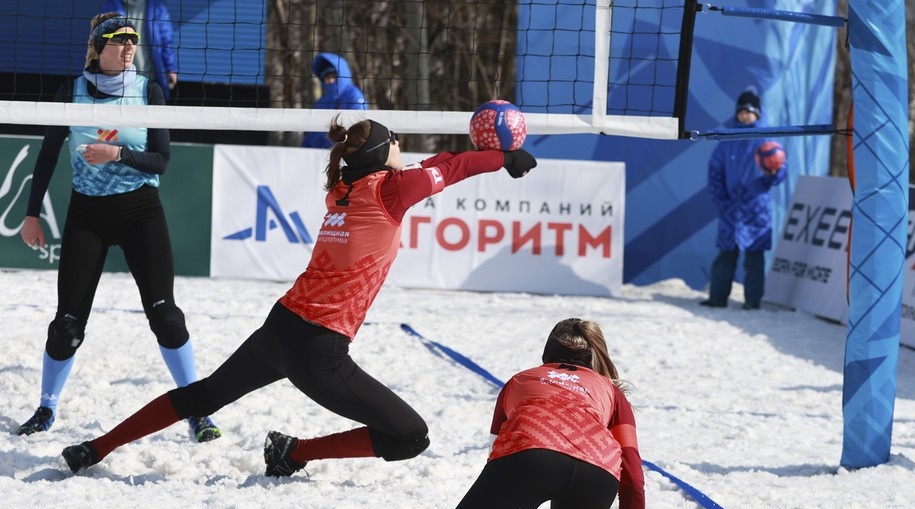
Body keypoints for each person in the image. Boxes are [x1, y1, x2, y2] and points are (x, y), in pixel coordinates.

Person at [60, 116, 538, 476]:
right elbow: (449, 168)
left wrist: (493, 160)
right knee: (410, 437)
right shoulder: (391, 191)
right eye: (395, 141)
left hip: (281, 327)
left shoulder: (345, 188)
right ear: (381, 153)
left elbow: (436, 166)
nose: (402, 147)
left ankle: (96, 448)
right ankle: (295, 453)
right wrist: (505, 159)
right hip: (319, 351)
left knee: (202, 395)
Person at [16, 12, 220, 443]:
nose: (128, 46)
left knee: (166, 316)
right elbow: (48, 155)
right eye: (118, 39)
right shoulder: (69, 92)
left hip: (140, 212)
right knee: (67, 325)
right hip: (86, 214)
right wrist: (31, 214)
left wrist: (117, 155)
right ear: (97, 46)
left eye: (132, 39)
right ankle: (46, 407)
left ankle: (197, 410)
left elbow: (162, 159)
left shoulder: (148, 90)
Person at [411, 318, 653, 509]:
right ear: (595, 356)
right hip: (598, 471)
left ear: (546, 354)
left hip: (532, 452)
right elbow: (633, 477)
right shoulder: (611, 392)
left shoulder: (520, 379)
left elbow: (497, 455)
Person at [700, 86, 787, 310]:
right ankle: (718, 297)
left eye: (749, 112)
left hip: (756, 209)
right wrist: (722, 200)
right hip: (731, 208)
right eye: (741, 112)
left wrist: (773, 173)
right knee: (725, 257)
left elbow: (781, 172)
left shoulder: (767, 139)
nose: (744, 115)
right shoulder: (728, 139)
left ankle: (752, 300)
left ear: (757, 114)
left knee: (754, 259)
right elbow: (714, 172)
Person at [100, 0, 178, 102]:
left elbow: (166, 41)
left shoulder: (157, 7)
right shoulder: (110, 5)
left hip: (151, 76)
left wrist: (171, 68)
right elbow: (101, 40)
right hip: (120, 79)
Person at [302, 53, 368, 149]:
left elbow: (358, 128)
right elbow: (312, 133)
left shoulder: (353, 95)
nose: (331, 80)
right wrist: (305, 149)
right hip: (317, 155)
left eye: (334, 75)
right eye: (327, 77)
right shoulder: (322, 101)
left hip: (344, 153)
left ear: (341, 74)